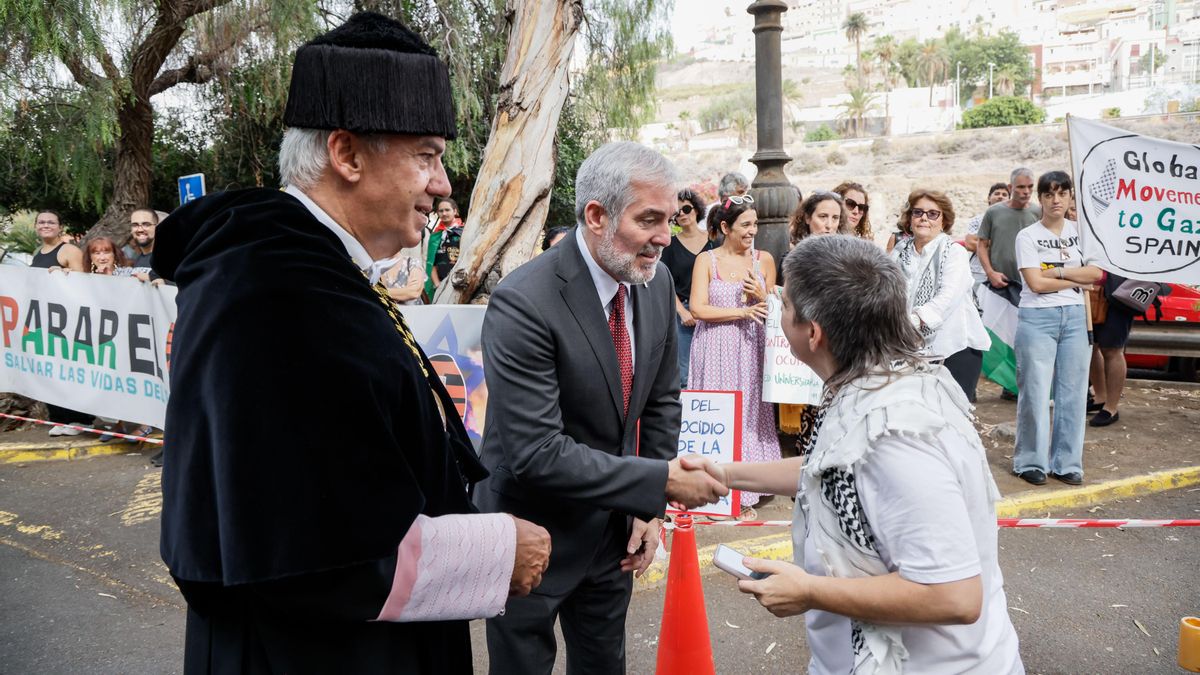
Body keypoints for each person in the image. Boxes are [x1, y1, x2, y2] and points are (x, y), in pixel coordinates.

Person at [150, 13, 552, 673]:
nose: (443, 183)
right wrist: (499, 549)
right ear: (347, 153)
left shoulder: (305, 271)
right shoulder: (281, 292)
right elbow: (325, 552)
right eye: (427, 154)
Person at [692, 234, 1024, 674]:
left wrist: (809, 591)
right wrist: (723, 474)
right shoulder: (877, 387)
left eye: (785, 306)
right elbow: (831, 469)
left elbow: (954, 595)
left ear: (813, 333)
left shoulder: (897, 436)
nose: (779, 314)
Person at [474, 141, 728, 674]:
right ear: (596, 215)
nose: (666, 236)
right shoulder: (524, 302)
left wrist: (644, 509)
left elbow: (662, 401)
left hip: (615, 535)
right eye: (650, 219)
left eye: (673, 215)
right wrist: (659, 482)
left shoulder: (654, 282)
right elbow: (537, 452)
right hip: (530, 533)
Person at [1012, 171, 1104, 487]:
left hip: (1076, 317)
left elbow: (1095, 274)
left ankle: (1066, 463)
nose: (1056, 200)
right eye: (1049, 194)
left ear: (1069, 198)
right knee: (1036, 391)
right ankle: (1029, 461)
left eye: (1062, 194)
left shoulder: (1083, 232)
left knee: (1074, 393)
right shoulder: (1027, 236)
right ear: (1041, 198)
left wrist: (1057, 269)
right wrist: (1074, 279)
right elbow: (1035, 283)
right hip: (1037, 318)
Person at [689, 195, 778, 520]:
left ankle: (745, 492)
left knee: (749, 415)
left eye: (755, 224)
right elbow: (698, 308)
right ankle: (710, 489)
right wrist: (741, 309)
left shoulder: (763, 260)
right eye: (746, 224)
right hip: (714, 346)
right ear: (725, 227)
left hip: (750, 347)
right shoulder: (706, 261)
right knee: (719, 417)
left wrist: (762, 295)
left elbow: (775, 309)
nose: (752, 230)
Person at [891, 190, 991, 402]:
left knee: (952, 421)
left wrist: (911, 322)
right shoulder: (899, 252)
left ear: (944, 221)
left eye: (932, 214)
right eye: (918, 212)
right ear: (909, 219)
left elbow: (948, 297)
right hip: (909, 351)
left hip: (954, 349)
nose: (924, 218)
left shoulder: (954, 252)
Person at [29, 210, 89, 436]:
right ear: (36, 226)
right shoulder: (38, 254)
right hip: (45, 322)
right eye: (41, 222)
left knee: (70, 370)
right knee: (50, 371)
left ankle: (81, 419)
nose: (46, 225)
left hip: (68, 322)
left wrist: (66, 273)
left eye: (51, 222)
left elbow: (84, 281)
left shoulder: (69, 250)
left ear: (59, 227)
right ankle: (60, 418)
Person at [661, 187, 713, 387]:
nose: (682, 214)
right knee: (684, 373)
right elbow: (666, 283)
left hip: (712, 311)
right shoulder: (669, 246)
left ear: (697, 210)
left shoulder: (714, 241)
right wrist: (682, 312)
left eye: (687, 208)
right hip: (683, 313)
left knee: (709, 368)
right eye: (677, 211)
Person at [977, 168, 1041, 306]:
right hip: (1000, 284)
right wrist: (990, 273)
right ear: (1011, 187)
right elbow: (981, 245)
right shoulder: (993, 212)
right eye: (1021, 187)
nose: (1026, 191)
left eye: (1030, 187)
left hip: (1030, 285)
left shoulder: (1038, 212)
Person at [1088, 271, 1136, 427]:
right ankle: (1100, 397)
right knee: (1090, 347)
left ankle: (1111, 407)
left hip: (1120, 292)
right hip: (1092, 289)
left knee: (1112, 350)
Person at [964, 182, 1010, 291]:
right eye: (997, 193)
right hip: (978, 273)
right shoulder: (977, 220)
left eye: (1004, 195)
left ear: (1009, 200)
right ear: (989, 198)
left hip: (1005, 275)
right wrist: (1000, 244)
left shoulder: (1014, 221)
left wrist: (983, 242)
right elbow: (970, 243)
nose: (1000, 196)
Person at [426, 196, 463, 295]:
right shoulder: (435, 236)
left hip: (460, 283)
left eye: (447, 210)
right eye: (441, 211)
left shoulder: (464, 233)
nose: (444, 213)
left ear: (454, 211)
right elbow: (431, 263)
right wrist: (437, 284)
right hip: (439, 286)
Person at [127, 208, 164, 284]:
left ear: (157, 227)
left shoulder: (169, 258)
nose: (140, 229)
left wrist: (159, 281)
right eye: (135, 225)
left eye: (146, 224)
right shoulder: (138, 259)